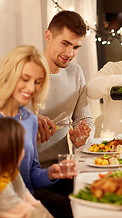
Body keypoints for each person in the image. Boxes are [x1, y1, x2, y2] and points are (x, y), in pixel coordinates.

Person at [0, 45, 74, 218]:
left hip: (28, 199)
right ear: (9, 75)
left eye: (38, 82)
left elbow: (31, 175)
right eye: (25, 79)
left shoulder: (30, 119)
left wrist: (51, 173)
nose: (31, 88)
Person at [37, 10, 95, 168]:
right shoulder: (26, 71)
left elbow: (84, 118)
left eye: (76, 47)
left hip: (63, 166)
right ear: (48, 36)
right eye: (65, 43)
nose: (70, 53)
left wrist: (83, 135)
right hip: (27, 170)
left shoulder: (75, 72)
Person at [0, 117, 54, 218]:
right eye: (22, 146)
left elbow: (26, 197)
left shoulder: (11, 171)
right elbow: (32, 215)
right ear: (10, 152)